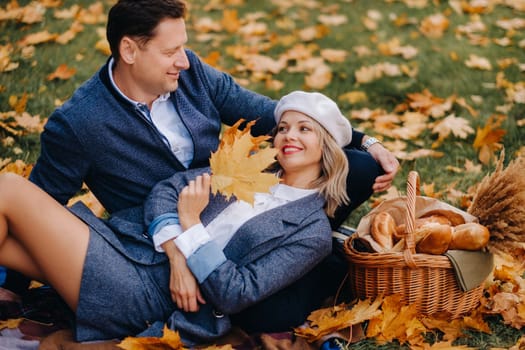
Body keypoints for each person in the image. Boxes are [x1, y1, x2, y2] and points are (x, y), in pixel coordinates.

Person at [2, 0, 399, 332]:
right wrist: (14, 290)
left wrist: (365, 139)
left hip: (191, 244)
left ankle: (307, 260)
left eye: (183, 48)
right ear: (129, 51)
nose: (184, 61)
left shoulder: (193, 76)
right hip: (141, 248)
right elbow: (45, 195)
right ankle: (312, 264)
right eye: (170, 51)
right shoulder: (80, 123)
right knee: (10, 196)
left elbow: (275, 115)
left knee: (361, 168)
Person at [0, 91, 354, 345]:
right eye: (283, 128)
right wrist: (176, 248)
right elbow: (166, 190)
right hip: (131, 249)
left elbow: (237, 292)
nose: (288, 135)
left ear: (328, 147)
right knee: (6, 239)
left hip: (152, 293)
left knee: (10, 189)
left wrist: (193, 225)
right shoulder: (245, 169)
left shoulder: (312, 233)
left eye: (304, 129)